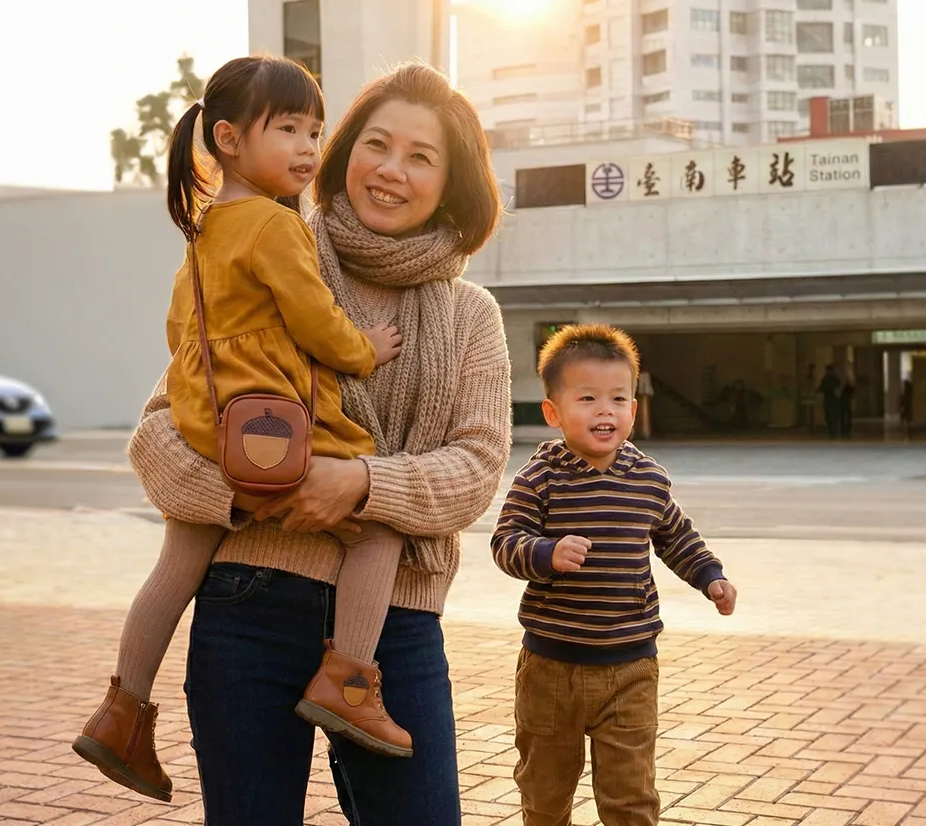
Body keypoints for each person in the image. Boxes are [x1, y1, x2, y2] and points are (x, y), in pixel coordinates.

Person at [119, 63, 511, 825]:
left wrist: (360, 485)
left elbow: (476, 470)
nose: (391, 171)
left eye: (421, 157)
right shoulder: (264, 245)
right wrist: (255, 487)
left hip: (395, 624)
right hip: (249, 603)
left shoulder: (471, 315)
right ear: (342, 153)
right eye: (376, 144)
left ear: (451, 182)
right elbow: (162, 428)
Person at [73, 55, 416, 802]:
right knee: (381, 521)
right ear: (227, 138)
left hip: (208, 422)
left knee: (176, 566)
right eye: (288, 128)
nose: (306, 147)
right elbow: (314, 316)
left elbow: (178, 331)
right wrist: (365, 349)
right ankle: (350, 682)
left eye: (316, 131)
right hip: (276, 429)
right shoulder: (272, 223)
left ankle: (121, 712)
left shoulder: (203, 231)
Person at [491, 324, 738, 826]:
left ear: (633, 407)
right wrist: (545, 552)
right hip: (550, 669)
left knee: (630, 797)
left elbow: (675, 536)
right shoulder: (540, 476)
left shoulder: (648, 477)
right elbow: (505, 541)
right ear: (553, 412)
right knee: (545, 791)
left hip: (630, 669)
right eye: (587, 398)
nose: (606, 410)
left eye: (618, 398)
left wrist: (709, 575)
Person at [817, 363, 842, 439]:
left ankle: (831, 431)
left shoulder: (825, 379)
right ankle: (834, 431)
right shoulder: (835, 379)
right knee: (833, 416)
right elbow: (838, 387)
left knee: (829, 416)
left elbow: (820, 389)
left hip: (829, 400)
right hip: (833, 400)